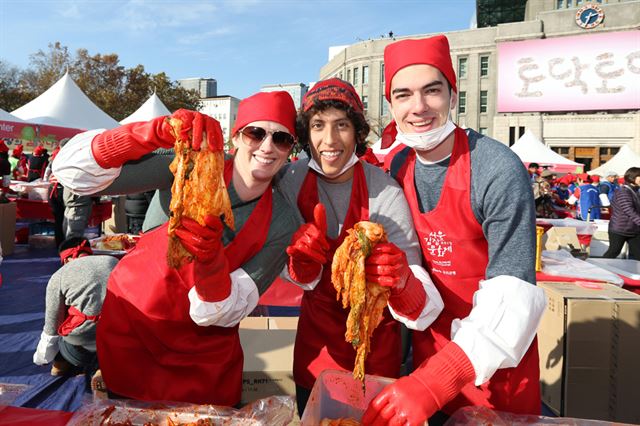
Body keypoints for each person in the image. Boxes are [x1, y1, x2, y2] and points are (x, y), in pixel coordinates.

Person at [52, 92, 300, 406]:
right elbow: (77, 177)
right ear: (236, 137)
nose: (267, 147)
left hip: (204, 358)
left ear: (290, 148)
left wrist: (211, 264)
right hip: (132, 331)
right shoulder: (188, 163)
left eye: (281, 138)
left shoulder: (282, 221)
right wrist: (147, 134)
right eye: (256, 133)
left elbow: (229, 309)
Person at [362, 35, 546, 426]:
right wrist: (402, 285)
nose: (419, 107)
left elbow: (514, 294)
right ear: (390, 104)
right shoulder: (397, 169)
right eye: (403, 95)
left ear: (453, 93)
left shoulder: (496, 168)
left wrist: (433, 382)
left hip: (497, 364)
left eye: (432, 90)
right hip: (430, 352)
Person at [279, 78, 443, 415]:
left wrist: (401, 281)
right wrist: (299, 267)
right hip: (316, 344)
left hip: (376, 351)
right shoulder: (290, 181)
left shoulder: (385, 190)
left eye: (342, 125)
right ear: (306, 134)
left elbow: (414, 274)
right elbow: (276, 259)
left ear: (357, 132)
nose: (329, 140)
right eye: (318, 125)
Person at [33, 237, 118, 385]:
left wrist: (42, 357)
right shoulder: (113, 261)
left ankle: (62, 362)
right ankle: (102, 369)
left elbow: (52, 327)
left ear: (65, 260)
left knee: (63, 340)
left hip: (81, 340)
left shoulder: (59, 275)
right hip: (115, 336)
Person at [603, 167, 640, 260]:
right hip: (619, 228)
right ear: (633, 177)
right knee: (613, 251)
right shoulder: (623, 191)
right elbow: (629, 210)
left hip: (633, 229)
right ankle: (600, 270)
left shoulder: (635, 191)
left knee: (638, 253)